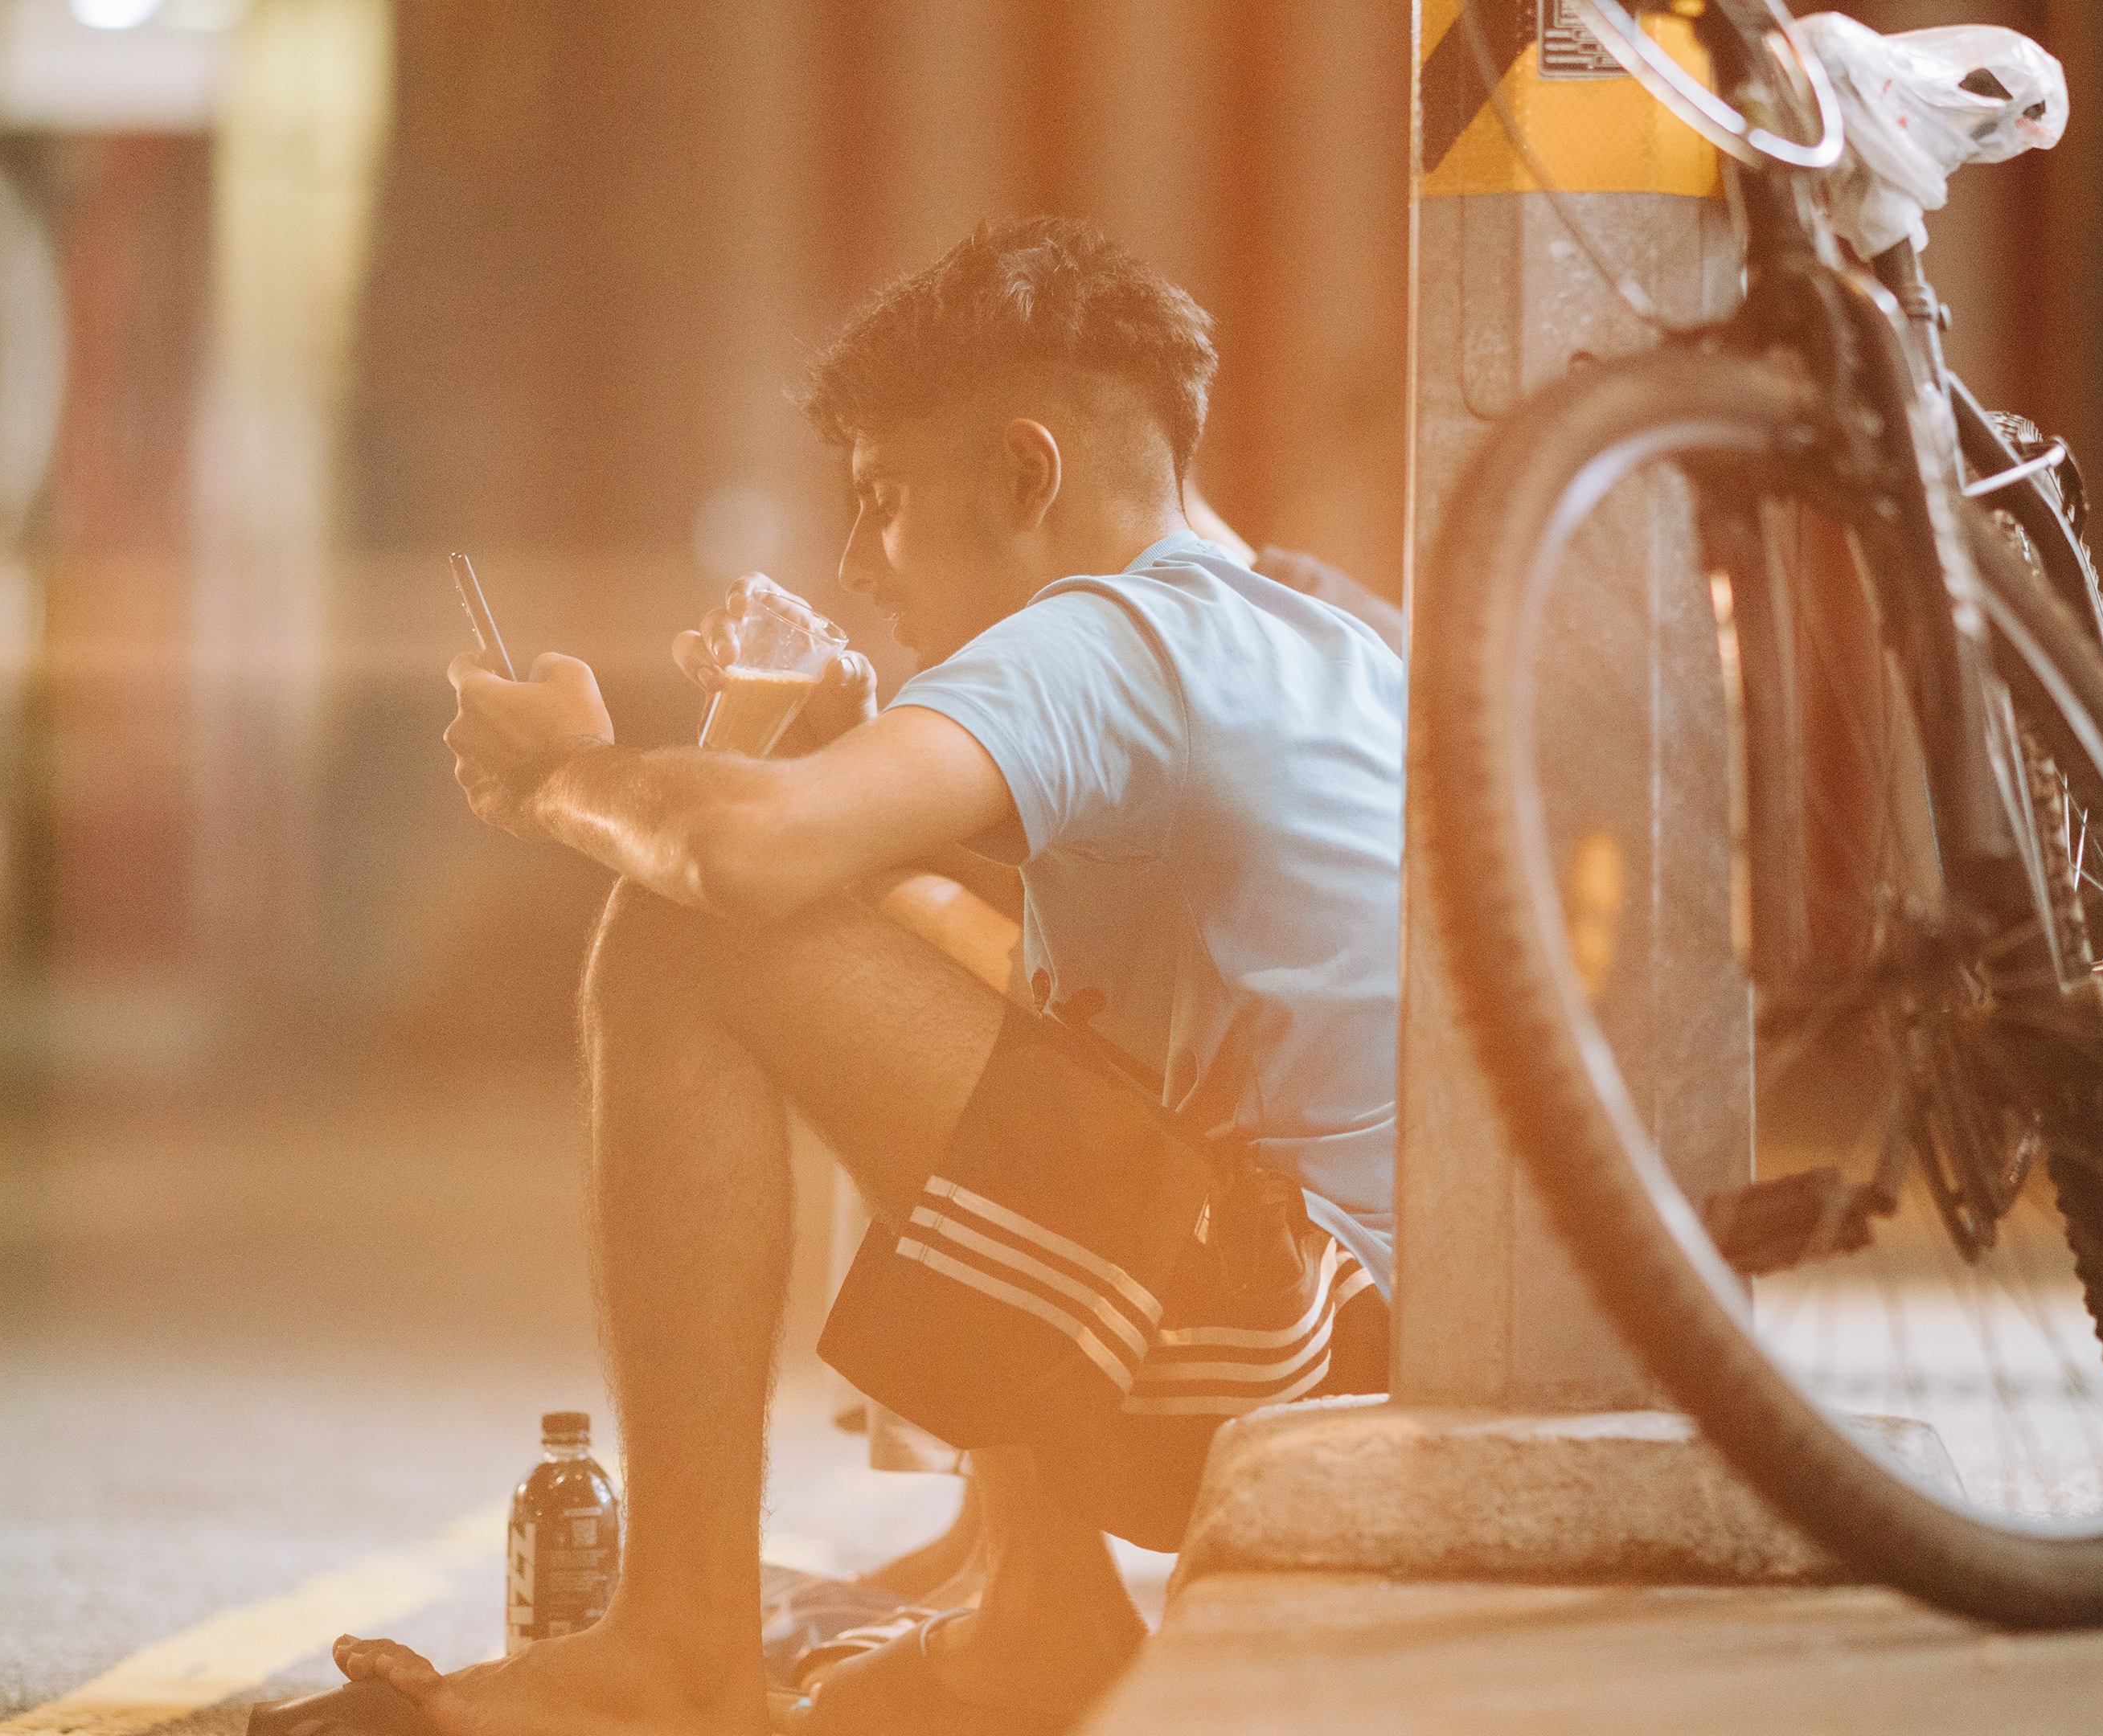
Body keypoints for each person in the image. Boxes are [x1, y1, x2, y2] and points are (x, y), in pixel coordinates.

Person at [332, 216, 1403, 1736]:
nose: (859, 566)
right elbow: (955, 920)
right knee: (941, 962)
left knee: (687, 938)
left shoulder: (1107, 636)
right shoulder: (1301, 637)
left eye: (884, 503)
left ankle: (676, 1651)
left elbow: (742, 861)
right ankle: (1038, 1615)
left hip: (1292, 1352)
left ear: (1026, 478)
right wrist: (843, 747)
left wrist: (560, 778)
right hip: (1375, 1333)